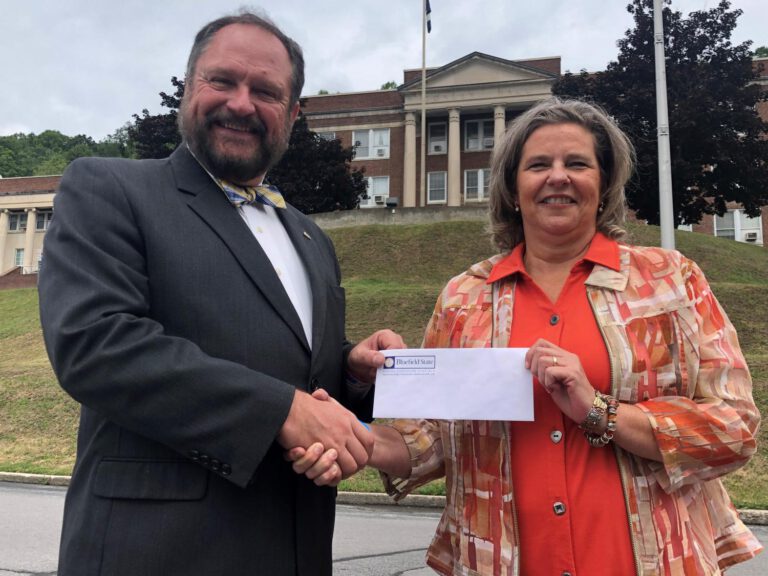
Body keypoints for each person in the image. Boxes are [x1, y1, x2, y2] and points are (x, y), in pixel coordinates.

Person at [289, 98, 763, 575]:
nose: (558, 176)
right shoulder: (464, 298)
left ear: (604, 183)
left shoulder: (669, 281)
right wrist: (356, 440)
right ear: (514, 189)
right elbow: (434, 439)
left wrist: (600, 411)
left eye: (577, 163)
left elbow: (734, 427)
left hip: (648, 559)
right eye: (539, 165)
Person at [38, 11, 404, 576]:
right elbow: (96, 344)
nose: (241, 103)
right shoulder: (109, 188)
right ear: (189, 88)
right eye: (222, 81)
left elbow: (305, 384)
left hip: (296, 550)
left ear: (292, 113)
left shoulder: (310, 237)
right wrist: (281, 410)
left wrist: (351, 372)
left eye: (266, 91)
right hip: (157, 553)